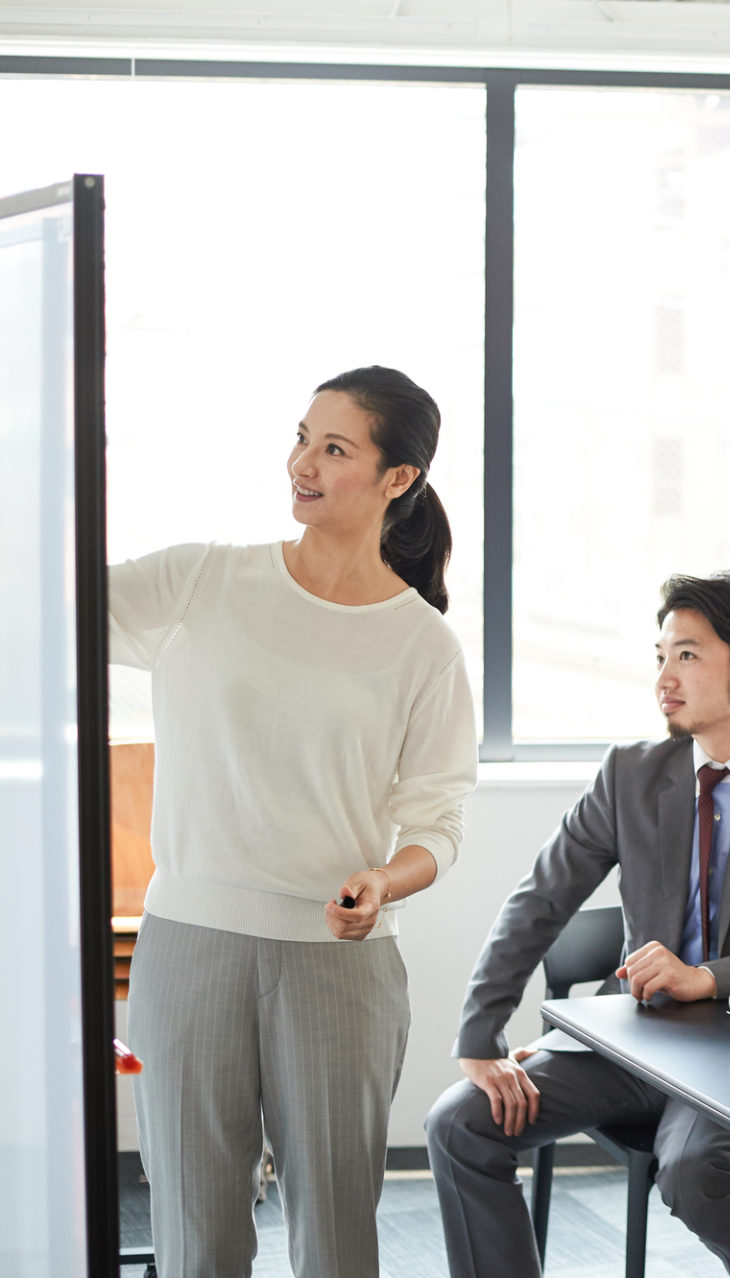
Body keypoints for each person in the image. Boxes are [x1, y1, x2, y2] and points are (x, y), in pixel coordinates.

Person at [114, 366, 477, 1278]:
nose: (302, 463)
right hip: (189, 945)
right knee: (196, 1232)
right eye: (303, 438)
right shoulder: (201, 579)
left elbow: (436, 820)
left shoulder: (422, 644)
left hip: (338, 965)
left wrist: (383, 881)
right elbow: (44, 608)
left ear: (398, 479)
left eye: (335, 447)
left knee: (336, 1232)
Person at [426, 570, 730, 1278]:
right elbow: (541, 898)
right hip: (634, 1038)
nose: (665, 676)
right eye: (660, 656)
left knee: (694, 1170)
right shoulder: (630, 773)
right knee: (458, 1123)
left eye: (688, 656)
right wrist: (480, 1033)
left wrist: (706, 979)